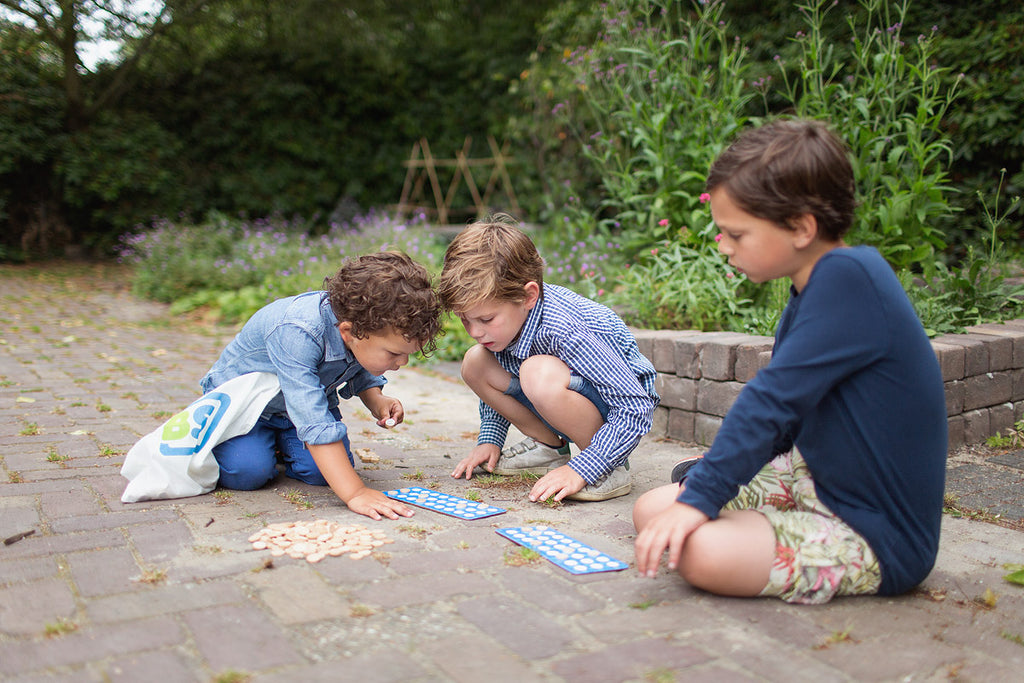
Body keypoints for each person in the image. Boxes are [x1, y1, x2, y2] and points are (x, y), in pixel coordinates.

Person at [633, 118, 948, 604]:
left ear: (801, 227)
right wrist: (713, 482)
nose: (723, 246)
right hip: (814, 480)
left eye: (736, 234)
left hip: (875, 531)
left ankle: (757, 534)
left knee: (698, 551)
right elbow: (790, 415)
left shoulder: (850, 280)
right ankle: (758, 526)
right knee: (653, 511)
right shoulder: (814, 286)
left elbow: (771, 400)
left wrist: (703, 497)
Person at [200, 251, 441, 520]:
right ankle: (245, 442)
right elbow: (312, 416)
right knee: (246, 472)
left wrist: (376, 399)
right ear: (349, 332)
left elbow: (358, 363)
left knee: (322, 474)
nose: (403, 362)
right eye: (394, 353)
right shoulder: (297, 331)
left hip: (294, 411)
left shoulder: (357, 328)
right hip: (247, 410)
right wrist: (355, 492)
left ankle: (279, 443)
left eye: (407, 354)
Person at [439, 215, 659, 502]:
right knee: (476, 362)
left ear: (528, 296)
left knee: (536, 372)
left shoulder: (564, 329)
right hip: (564, 398)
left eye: (486, 319)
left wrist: (584, 467)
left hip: (615, 412)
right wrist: (490, 439)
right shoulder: (507, 323)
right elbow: (502, 367)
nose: (475, 331)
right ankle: (548, 448)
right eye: (465, 320)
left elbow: (635, 406)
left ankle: (607, 468)